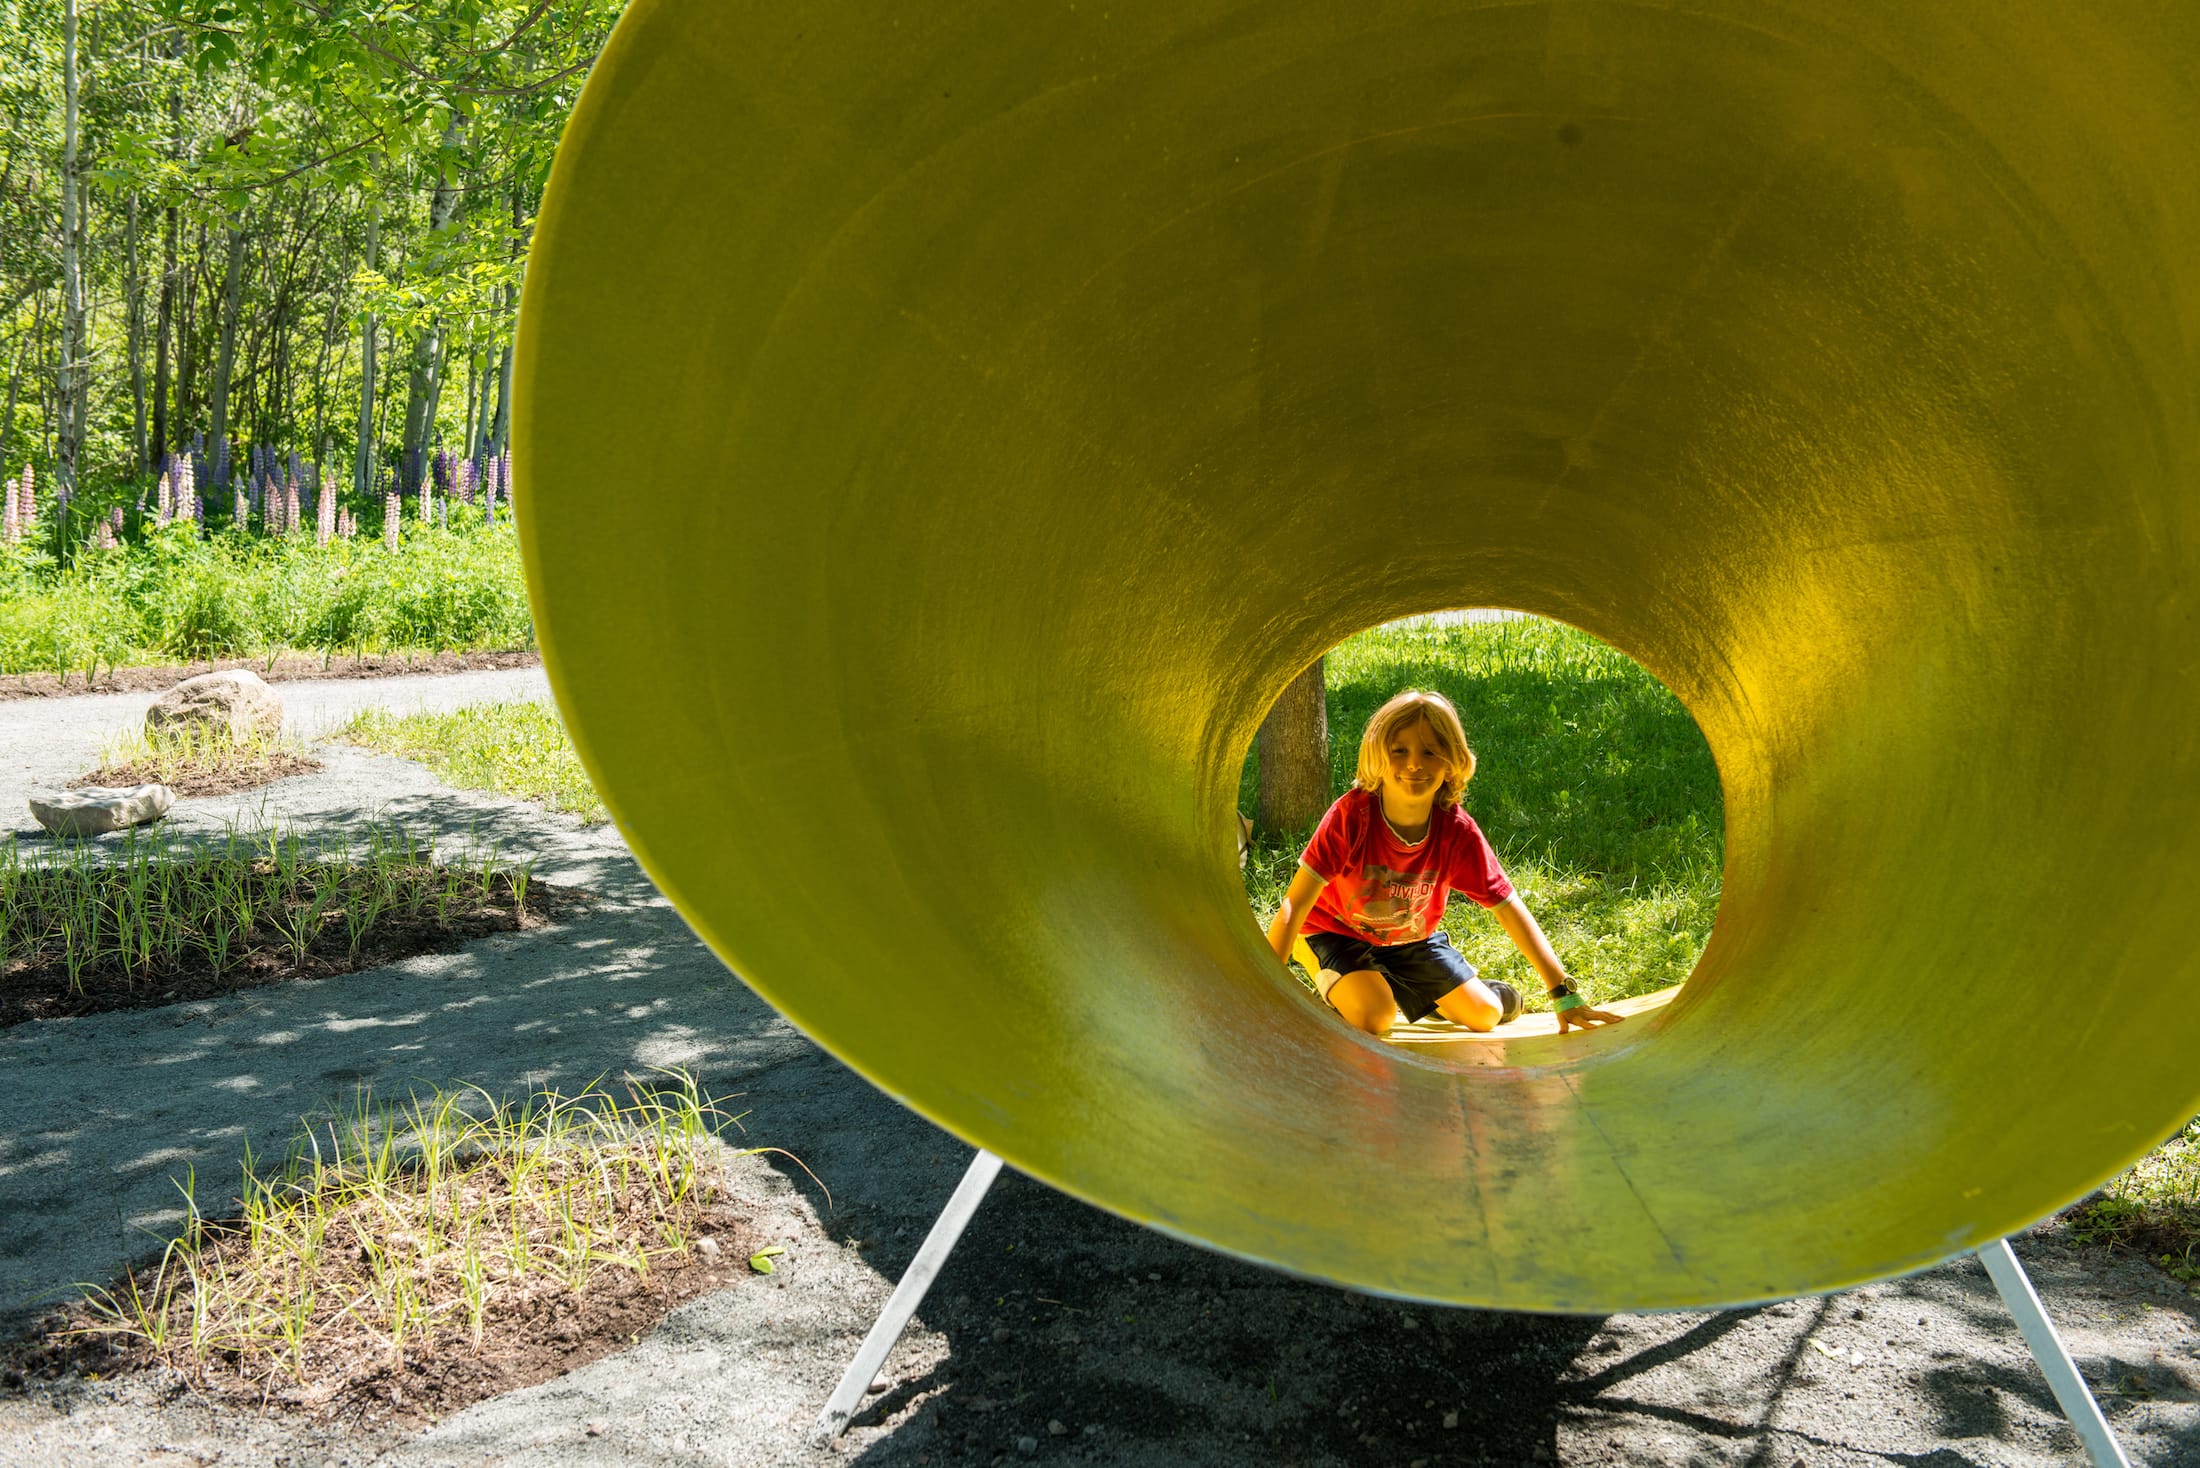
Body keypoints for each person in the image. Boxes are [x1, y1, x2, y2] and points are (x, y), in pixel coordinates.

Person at [1265, 688, 1624, 1039]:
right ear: (1377, 755)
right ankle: (1350, 986)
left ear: (1452, 761)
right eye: (1399, 751)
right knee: (1375, 1017)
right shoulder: (1352, 817)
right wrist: (1263, 985)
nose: (1415, 763)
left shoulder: (1455, 831)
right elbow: (1295, 903)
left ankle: (1435, 995)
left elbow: (1509, 906)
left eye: (1430, 751)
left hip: (1408, 937)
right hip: (1333, 931)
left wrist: (1563, 992)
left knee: (1486, 1015)